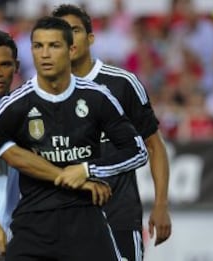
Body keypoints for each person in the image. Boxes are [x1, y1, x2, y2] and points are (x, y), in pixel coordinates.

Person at [0, 16, 148, 261]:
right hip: (34, 223)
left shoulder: (97, 98)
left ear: (71, 50)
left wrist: (87, 168)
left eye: (53, 46)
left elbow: (137, 151)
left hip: (86, 219)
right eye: (38, 46)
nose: (45, 54)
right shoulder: (14, 106)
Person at [0, 29, 110, 261]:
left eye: (5, 64)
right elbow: (14, 155)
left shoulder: (18, 106)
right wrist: (73, 179)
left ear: (16, 67)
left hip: (4, 231)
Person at [52, 4, 172, 260]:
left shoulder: (121, 83)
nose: (69, 38)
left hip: (119, 217)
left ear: (91, 38)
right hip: (64, 220)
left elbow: (154, 145)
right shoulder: (42, 92)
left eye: (75, 30)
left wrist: (161, 205)